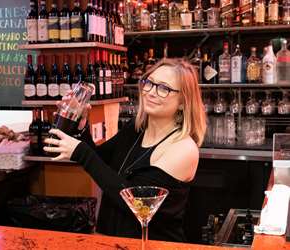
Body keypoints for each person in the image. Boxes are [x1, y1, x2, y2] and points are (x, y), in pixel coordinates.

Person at [44, 58, 206, 242]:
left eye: (163, 88)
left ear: (183, 102)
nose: (151, 92)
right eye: (149, 83)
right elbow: (101, 160)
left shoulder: (183, 148)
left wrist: (81, 152)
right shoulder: (136, 129)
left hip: (154, 245)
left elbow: (136, 201)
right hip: (113, 241)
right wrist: (81, 128)